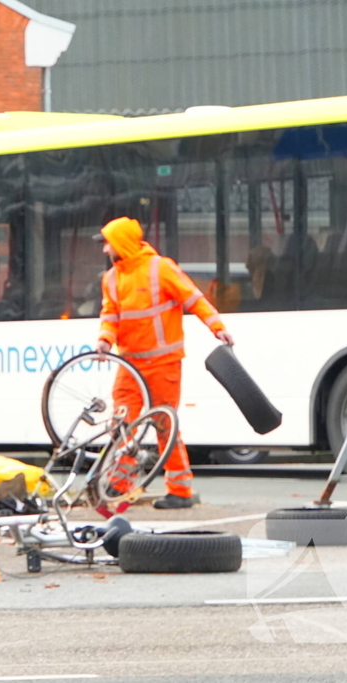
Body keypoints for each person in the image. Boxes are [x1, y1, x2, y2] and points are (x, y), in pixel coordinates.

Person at [94, 217, 234, 509]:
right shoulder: (111, 279)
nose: (105, 249)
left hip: (163, 363)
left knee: (163, 425)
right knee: (122, 425)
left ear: (121, 244)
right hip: (129, 365)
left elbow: (193, 299)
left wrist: (216, 327)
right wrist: (105, 340)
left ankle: (180, 491)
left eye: (108, 243)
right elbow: (110, 315)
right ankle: (119, 487)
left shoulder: (160, 268)